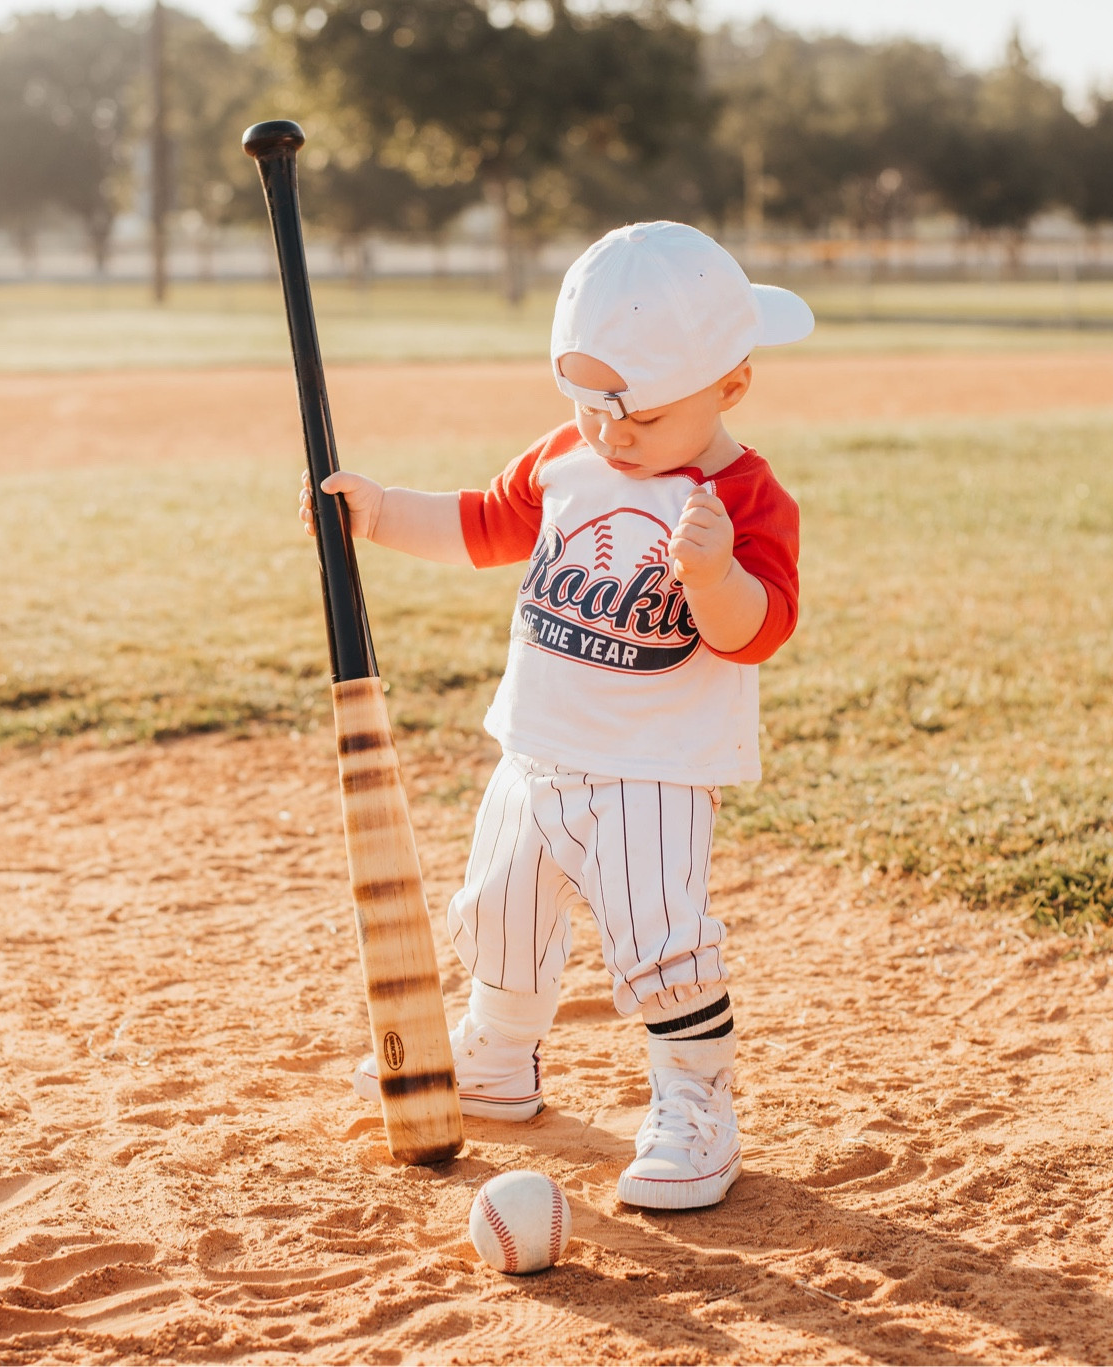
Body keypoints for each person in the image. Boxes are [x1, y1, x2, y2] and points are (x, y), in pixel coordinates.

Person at [299, 221, 810, 1210]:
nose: (610, 435)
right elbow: (480, 522)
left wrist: (711, 573)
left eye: (639, 415)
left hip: (651, 768)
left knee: (659, 941)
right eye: (585, 405)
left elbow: (758, 632)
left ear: (730, 386)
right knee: (498, 914)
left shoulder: (742, 496)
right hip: (532, 749)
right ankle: (497, 1053)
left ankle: (694, 1103)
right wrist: (375, 510)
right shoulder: (566, 461)